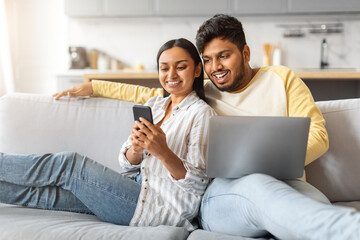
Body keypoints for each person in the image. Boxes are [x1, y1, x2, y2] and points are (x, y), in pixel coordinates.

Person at [54, 15, 360, 239]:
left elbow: (318, 137)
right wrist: (93, 85)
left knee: (314, 208)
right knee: (259, 190)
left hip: (287, 182)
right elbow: (146, 93)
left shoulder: (282, 79)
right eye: (209, 60)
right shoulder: (204, 92)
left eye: (224, 56)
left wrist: (268, 163)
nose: (216, 68)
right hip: (225, 191)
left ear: (246, 53)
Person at [0, 38, 216, 231]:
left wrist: (163, 152)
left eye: (181, 67)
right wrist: (137, 148)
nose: (171, 75)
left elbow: (198, 183)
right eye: (164, 68)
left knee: (69, 165)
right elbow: (126, 163)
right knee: (49, 196)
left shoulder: (201, 114)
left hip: (159, 207)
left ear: (197, 70)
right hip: (136, 189)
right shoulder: (155, 105)